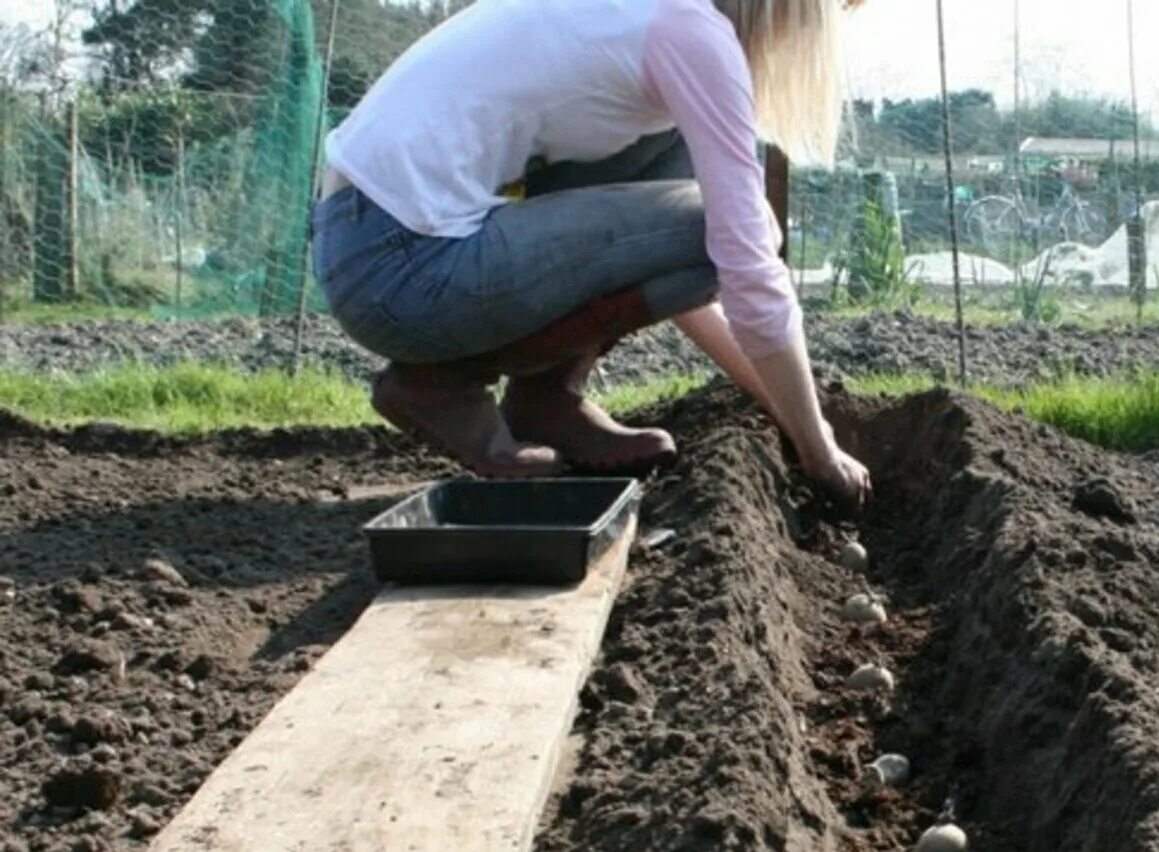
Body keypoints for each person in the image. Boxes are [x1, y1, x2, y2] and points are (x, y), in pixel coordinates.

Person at [311, 0, 871, 508]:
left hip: (364, 238)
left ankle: (545, 400)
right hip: (400, 269)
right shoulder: (690, 35)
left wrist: (787, 411)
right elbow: (743, 264)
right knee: (734, 231)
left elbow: (664, 271)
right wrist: (819, 450)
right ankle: (443, 382)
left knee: (674, 148)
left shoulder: (642, 18)